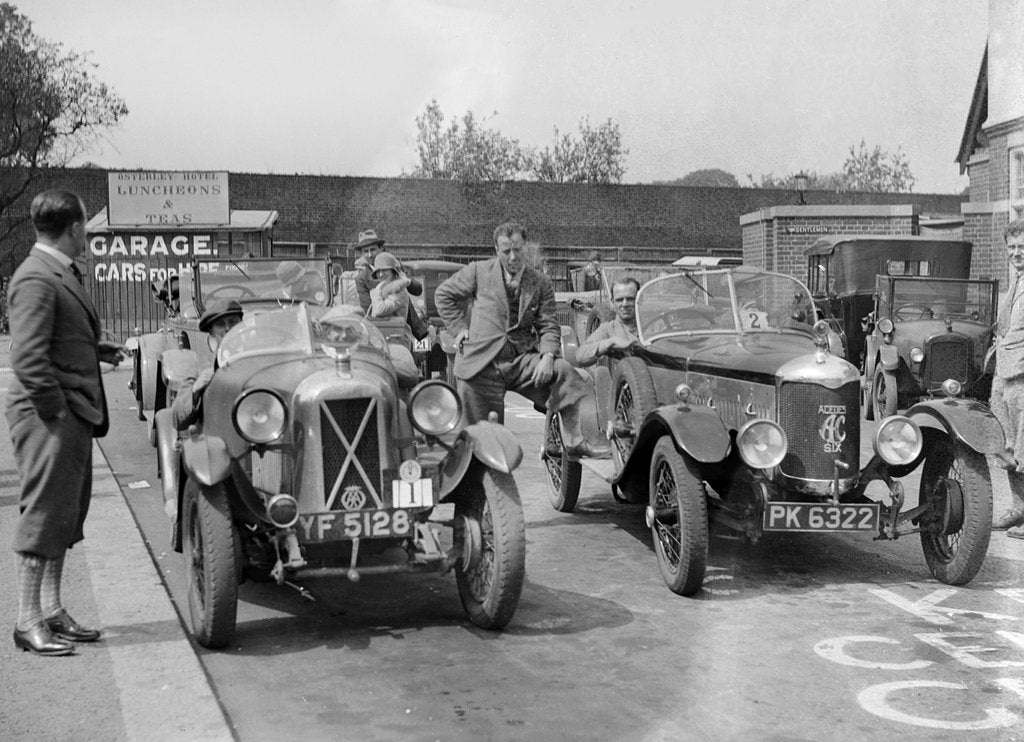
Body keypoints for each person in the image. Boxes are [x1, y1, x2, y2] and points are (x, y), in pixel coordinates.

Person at [6, 190, 127, 656]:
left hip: (66, 412)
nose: (88, 236)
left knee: (64, 514)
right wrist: (57, 412)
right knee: (43, 515)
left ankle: (52, 611)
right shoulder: (37, 277)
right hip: (50, 415)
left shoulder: (54, 272)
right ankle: (26, 620)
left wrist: (94, 351)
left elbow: (52, 340)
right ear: (74, 228)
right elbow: (30, 359)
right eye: (85, 229)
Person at [435, 220, 609, 458]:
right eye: (506, 251)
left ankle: (572, 440)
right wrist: (458, 329)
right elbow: (444, 295)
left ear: (526, 248)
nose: (513, 257)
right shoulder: (478, 271)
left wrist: (548, 356)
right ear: (497, 250)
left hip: (520, 361)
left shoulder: (540, 282)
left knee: (564, 372)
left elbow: (548, 324)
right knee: (482, 442)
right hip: (481, 363)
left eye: (518, 249)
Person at [991, 217, 1024, 538]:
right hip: (1005, 371)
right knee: (1007, 444)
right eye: (1012, 247)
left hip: (1023, 374)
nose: (1017, 252)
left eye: (1022, 247)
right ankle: (1018, 507)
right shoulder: (1015, 280)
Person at [171, 299, 244, 430]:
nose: (228, 329)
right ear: (212, 332)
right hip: (218, 437)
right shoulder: (201, 366)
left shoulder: (256, 359)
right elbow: (177, 418)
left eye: (233, 322)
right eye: (221, 324)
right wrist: (196, 388)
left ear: (242, 325)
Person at [351, 228, 422, 314]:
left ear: (380, 248)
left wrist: (404, 280)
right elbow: (368, 310)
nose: (370, 255)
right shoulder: (361, 278)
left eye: (373, 249)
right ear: (361, 254)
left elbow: (418, 290)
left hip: (406, 320)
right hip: (382, 323)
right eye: (365, 251)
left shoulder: (395, 265)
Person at [576, 277, 639, 367]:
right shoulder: (607, 329)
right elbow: (580, 356)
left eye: (630, 299)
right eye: (619, 300)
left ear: (639, 299)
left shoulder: (655, 327)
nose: (625, 304)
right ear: (612, 302)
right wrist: (610, 342)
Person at [368, 252, 412, 319]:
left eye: (384, 270)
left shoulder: (398, 290)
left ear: (393, 271)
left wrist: (376, 291)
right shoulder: (382, 289)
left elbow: (379, 310)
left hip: (395, 328)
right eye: (378, 271)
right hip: (384, 328)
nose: (381, 274)